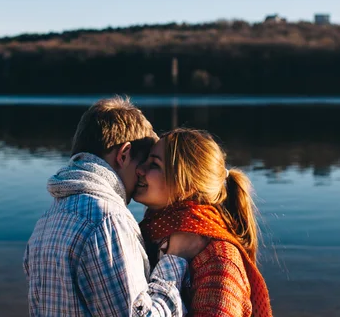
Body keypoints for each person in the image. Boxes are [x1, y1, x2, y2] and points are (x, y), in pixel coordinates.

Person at [23, 97, 208, 316]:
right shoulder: (107, 221)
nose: (142, 173)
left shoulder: (46, 221)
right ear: (123, 155)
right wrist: (175, 260)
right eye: (144, 161)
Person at [134, 128, 273, 317]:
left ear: (187, 186)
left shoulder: (219, 259)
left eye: (154, 164)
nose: (140, 169)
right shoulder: (154, 233)